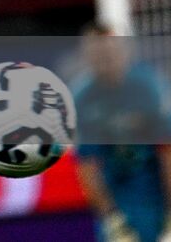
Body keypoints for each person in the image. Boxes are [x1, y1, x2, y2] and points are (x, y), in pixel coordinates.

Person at [72, 22, 171, 242]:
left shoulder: (149, 87)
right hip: (117, 196)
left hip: (154, 193)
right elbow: (87, 166)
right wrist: (112, 220)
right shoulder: (82, 98)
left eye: (110, 52)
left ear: (123, 50)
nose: (105, 61)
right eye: (97, 55)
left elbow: (167, 153)